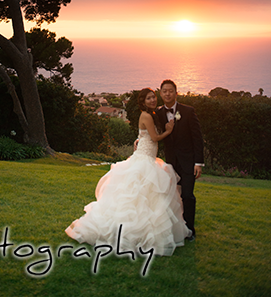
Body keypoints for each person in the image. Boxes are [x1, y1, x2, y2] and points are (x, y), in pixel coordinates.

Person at [65, 88, 191, 256]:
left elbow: (145, 135)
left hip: (148, 158)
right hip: (144, 159)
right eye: (148, 98)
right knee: (139, 197)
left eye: (153, 97)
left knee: (148, 198)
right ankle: (130, 233)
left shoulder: (152, 113)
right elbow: (154, 138)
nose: (153, 100)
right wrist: (168, 130)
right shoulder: (146, 115)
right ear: (142, 102)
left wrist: (140, 139)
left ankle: (147, 231)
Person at [155, 79, 204, 239]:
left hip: (189, 162)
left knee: (188, 196)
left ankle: (190, 230)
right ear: (161, 93)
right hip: (170, 164)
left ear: (176, 93)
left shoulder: (188, 111)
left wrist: (198, 162)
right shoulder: (158, 113)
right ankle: (176, 228)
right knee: (173, 197)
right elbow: (151, 132)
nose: (167, 93)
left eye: (170, 91)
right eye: (164, 91)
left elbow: (197, 138)